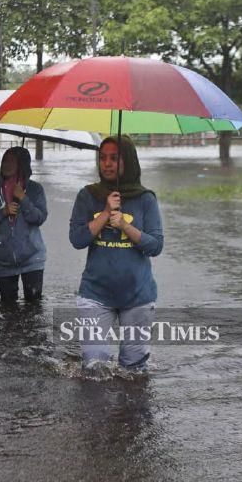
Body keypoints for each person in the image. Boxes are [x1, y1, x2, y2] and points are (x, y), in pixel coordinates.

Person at [68, 136, 163, 371]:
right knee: (94, 367)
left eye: (114, 158)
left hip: (138, 296)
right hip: (95, 293)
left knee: (134, 370)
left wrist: (125, 226)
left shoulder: (145, 199)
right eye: (102, 158)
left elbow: (156, 245)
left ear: (128, 161)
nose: (107, 164)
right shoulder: (87, 196)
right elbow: (77, 239)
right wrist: (104, 213)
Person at [0, 146, 48, 304]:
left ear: (22, 165)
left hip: (32, 259)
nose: (6, 164)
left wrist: (24, 199)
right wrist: (2, 212)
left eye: (12, 161)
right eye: (4, 160)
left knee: (34, 309)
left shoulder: (35, 190)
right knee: (8, 310)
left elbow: (40, 217)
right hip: (3, 261)